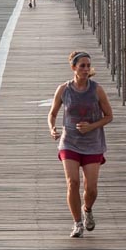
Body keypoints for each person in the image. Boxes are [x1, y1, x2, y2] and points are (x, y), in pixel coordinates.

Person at [47, 49, 113, 238]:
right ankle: (77, 223)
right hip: (69, 142)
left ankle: (88, 209)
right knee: (72, 182)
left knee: (91, 188)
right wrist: (52, 128)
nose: (86, 69)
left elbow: (109, 116)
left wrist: (91, 126)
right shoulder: (64, 89)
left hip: (93, 143)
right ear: (73, 67)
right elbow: (52, 113)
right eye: (82, 65)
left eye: (88, 65)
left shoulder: (97, 89)